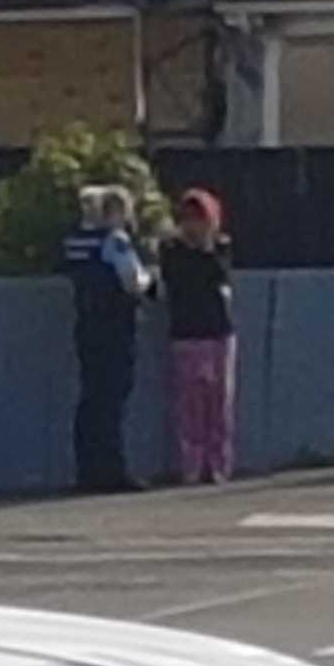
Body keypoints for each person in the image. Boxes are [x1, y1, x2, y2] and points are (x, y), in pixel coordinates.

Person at [60, 184, 154, 493]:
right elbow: (132, 281)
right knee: (112, 399)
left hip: (86, 325)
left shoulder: (74, 241)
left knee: (90, 400)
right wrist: (149, 279)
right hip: (115, 325)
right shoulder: (114, 241)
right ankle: (112, 470)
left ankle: (86, 470)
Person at [157, 189, 238, 485]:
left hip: (219, 331)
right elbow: (178, 279)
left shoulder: (221, 248)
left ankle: (219, 464)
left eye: (200, 219)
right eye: (189, 219)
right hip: (187, 332)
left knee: (220, 402)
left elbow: (218, 275)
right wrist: (189, 248)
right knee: (191, 403)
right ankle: (191, 464)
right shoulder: (171, 251)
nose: (194, 226)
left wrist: (206, 248)